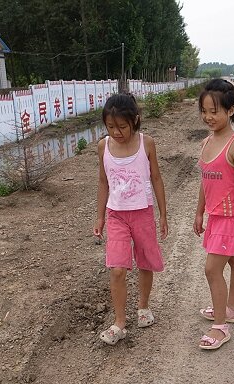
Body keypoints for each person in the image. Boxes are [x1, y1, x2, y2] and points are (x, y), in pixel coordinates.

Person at [93, 93, 168, 345]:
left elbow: (156, 178)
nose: (116, 132)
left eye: (122, 126)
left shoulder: (147, 143)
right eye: (111, 127)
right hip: (116, 214)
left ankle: (143, 307)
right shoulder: (103, 146)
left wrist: (163, 213)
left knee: (145, 262)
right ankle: (119, 322)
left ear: (135, 121)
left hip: (143, 212)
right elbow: (103, 182)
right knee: (117, 268)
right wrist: (100, 216)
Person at [193, 78, 234, 350]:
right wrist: (199, 213)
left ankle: (220, 327)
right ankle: (231, 309)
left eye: (215, 111)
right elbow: (205, 180)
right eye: (204, 111)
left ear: (231, 110)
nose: (208, 117)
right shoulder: (207, 142)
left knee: (212, 268)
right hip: (215, 217)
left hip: (232, 219)